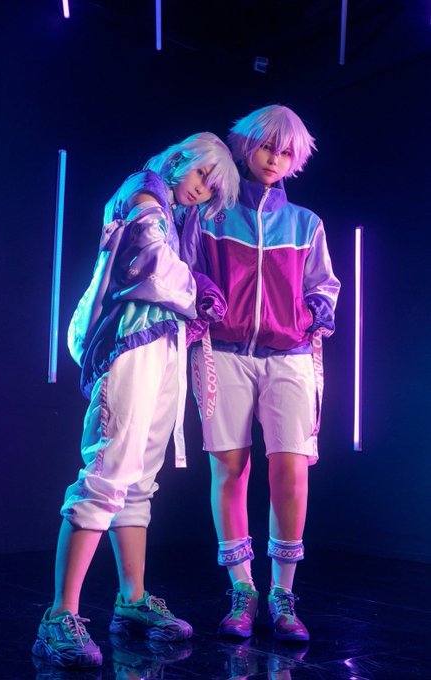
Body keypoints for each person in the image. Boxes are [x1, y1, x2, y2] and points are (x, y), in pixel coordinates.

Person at [32, 132, 239, 669]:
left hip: (162, 342)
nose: (202, 190)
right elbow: (147, 262)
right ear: (180, 160)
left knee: (140, 478)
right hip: (130, 341)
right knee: (108, 471)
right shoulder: (144, 193)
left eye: (212, 187)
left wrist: (193, 298)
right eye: (202, 175)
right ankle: (59, 616)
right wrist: (198, 290)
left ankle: (132, 600)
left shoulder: (172, 212)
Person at [181, 105, 341, 641]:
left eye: (286, 152)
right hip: (223, 352)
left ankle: (283, 594)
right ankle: (243, 591)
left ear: (297, 160)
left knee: (291, 470)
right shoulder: (211, 215)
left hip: (289, 355)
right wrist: (205, 297)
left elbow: (324, 285)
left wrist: (312, 313)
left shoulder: (306, 224)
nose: (275, 158)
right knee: (229, 470)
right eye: (268, 146)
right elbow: (188, 271)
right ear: (246, 146)